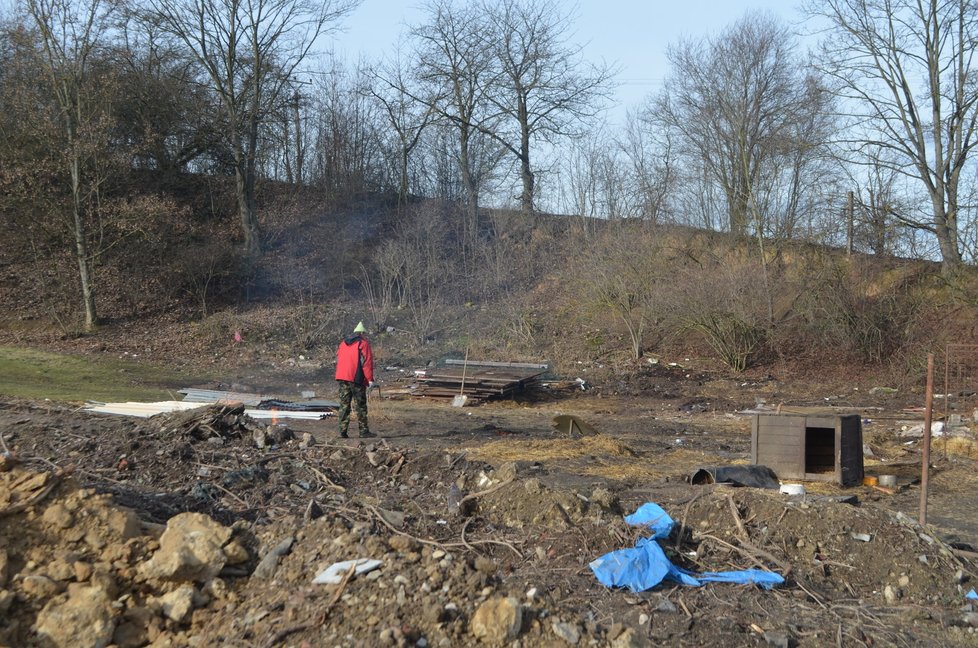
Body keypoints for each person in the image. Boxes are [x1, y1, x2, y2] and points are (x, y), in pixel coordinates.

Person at [334, 321, 375, 438]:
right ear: (362, 333)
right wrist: (370, 379)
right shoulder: (363, 343)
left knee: (344, 405)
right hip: (355, 378)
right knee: (360, 405)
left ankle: (342, 431)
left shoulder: (343, 343)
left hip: (341, 376)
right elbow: (367, 362)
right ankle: (364, 432)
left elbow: (339, 357)